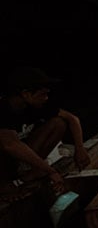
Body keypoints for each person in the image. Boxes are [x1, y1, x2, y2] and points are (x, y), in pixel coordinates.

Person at [0, 67, 91, 198]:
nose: (46, 98)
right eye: (42, 94)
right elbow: (10, 145)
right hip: (5, 160)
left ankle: (31, 172)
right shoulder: (4, 109)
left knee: (58, 123)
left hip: (21, 158)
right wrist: (50, 171)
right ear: (26, 94)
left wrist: (80, 149)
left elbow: (72, 119)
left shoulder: (35, 105)